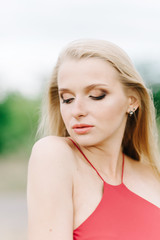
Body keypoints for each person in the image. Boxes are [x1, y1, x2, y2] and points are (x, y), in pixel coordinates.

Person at [27, 39, 160, 240]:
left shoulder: (153, 174)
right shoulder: (53, 155)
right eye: (67, 99)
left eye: (97, 95)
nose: (77, 111)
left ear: (132, 100)